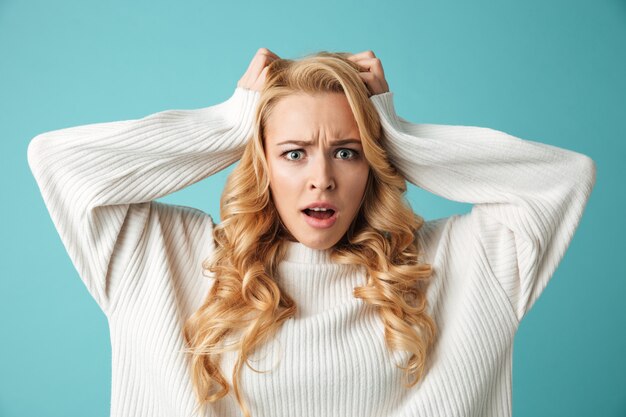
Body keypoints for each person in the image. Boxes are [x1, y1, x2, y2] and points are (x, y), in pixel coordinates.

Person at [27, 48, 596, 417]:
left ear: (371, 162)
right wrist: (233, 120)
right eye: (294, 153)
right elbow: (58, 163)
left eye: (346, 152)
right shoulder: (169, 259)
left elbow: (563, 178)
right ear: (263, 164)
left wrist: (394, 130)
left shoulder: (448, 267)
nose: (321, 179)